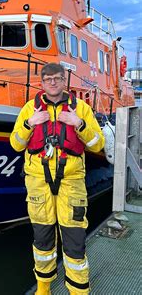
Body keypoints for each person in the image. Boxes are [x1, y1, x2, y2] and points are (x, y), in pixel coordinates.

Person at [10, 63, 105, 295]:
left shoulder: (81, 109)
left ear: (65, 81)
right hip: (38, 184)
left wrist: (79, 125)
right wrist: (28, 124)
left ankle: (79, 291)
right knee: (42, 239)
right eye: (48, 79)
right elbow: (16, 144)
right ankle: (43, 288)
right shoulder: (28, 110)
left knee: (74, 239)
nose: (53, 83)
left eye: (57, 78)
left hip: (71, 182)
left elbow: (98, 144)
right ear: (41, 83)